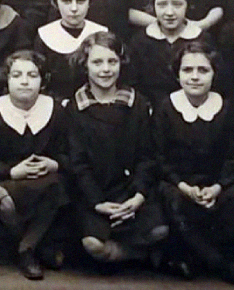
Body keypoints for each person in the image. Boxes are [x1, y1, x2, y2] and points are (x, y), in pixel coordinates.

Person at [152, 42, 234, 286]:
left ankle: (195, 258)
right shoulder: (166, 108)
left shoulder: (228, 109)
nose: (195, 77)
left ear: (214, 73)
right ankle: (221, 265)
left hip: (217, 183)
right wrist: (184, 186)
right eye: (187, 70)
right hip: (179, 183)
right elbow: (159, 157)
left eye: (203, 70)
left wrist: (217, 187)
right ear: (177, 74)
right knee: (173, 200)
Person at [65, 31, 168, 265]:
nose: (105, 69)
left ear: (121, 63)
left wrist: (138, 196)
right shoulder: (76, 107)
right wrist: (97, 202)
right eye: (97, 62)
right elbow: (77, 162)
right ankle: (136, 255)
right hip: (96, 195)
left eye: (112, 61)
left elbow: (147, 156)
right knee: (93, 244)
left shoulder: (137, 103)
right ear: (85, 65)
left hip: (131, 191)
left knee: (160, 230)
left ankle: (124, 254)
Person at [0, 50, 69, 280]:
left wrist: (54, 164)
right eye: (17, 75)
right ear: (7, 79)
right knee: (3, 200)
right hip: (7, 181)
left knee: (56, 188)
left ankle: (25, 251)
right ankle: (32, 247)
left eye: (32, 75)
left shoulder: (57, 110)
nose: (24, 81)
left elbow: (73, 154)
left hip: (48, 181)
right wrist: (12, 171)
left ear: (42, 80)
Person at [125, 0, 214, 107]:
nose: (170, 12)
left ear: (188, 5)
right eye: (162, 5)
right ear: (152, 6)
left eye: (177, 4)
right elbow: (133, 84)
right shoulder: (140, 41)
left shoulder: (202, 39)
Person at [35, 0, 108, 100]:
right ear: (55, 1)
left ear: (89, 1)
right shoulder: (45, 35)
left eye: (80, 1)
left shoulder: (101, 33)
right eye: (67, 1)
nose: (74, 8)